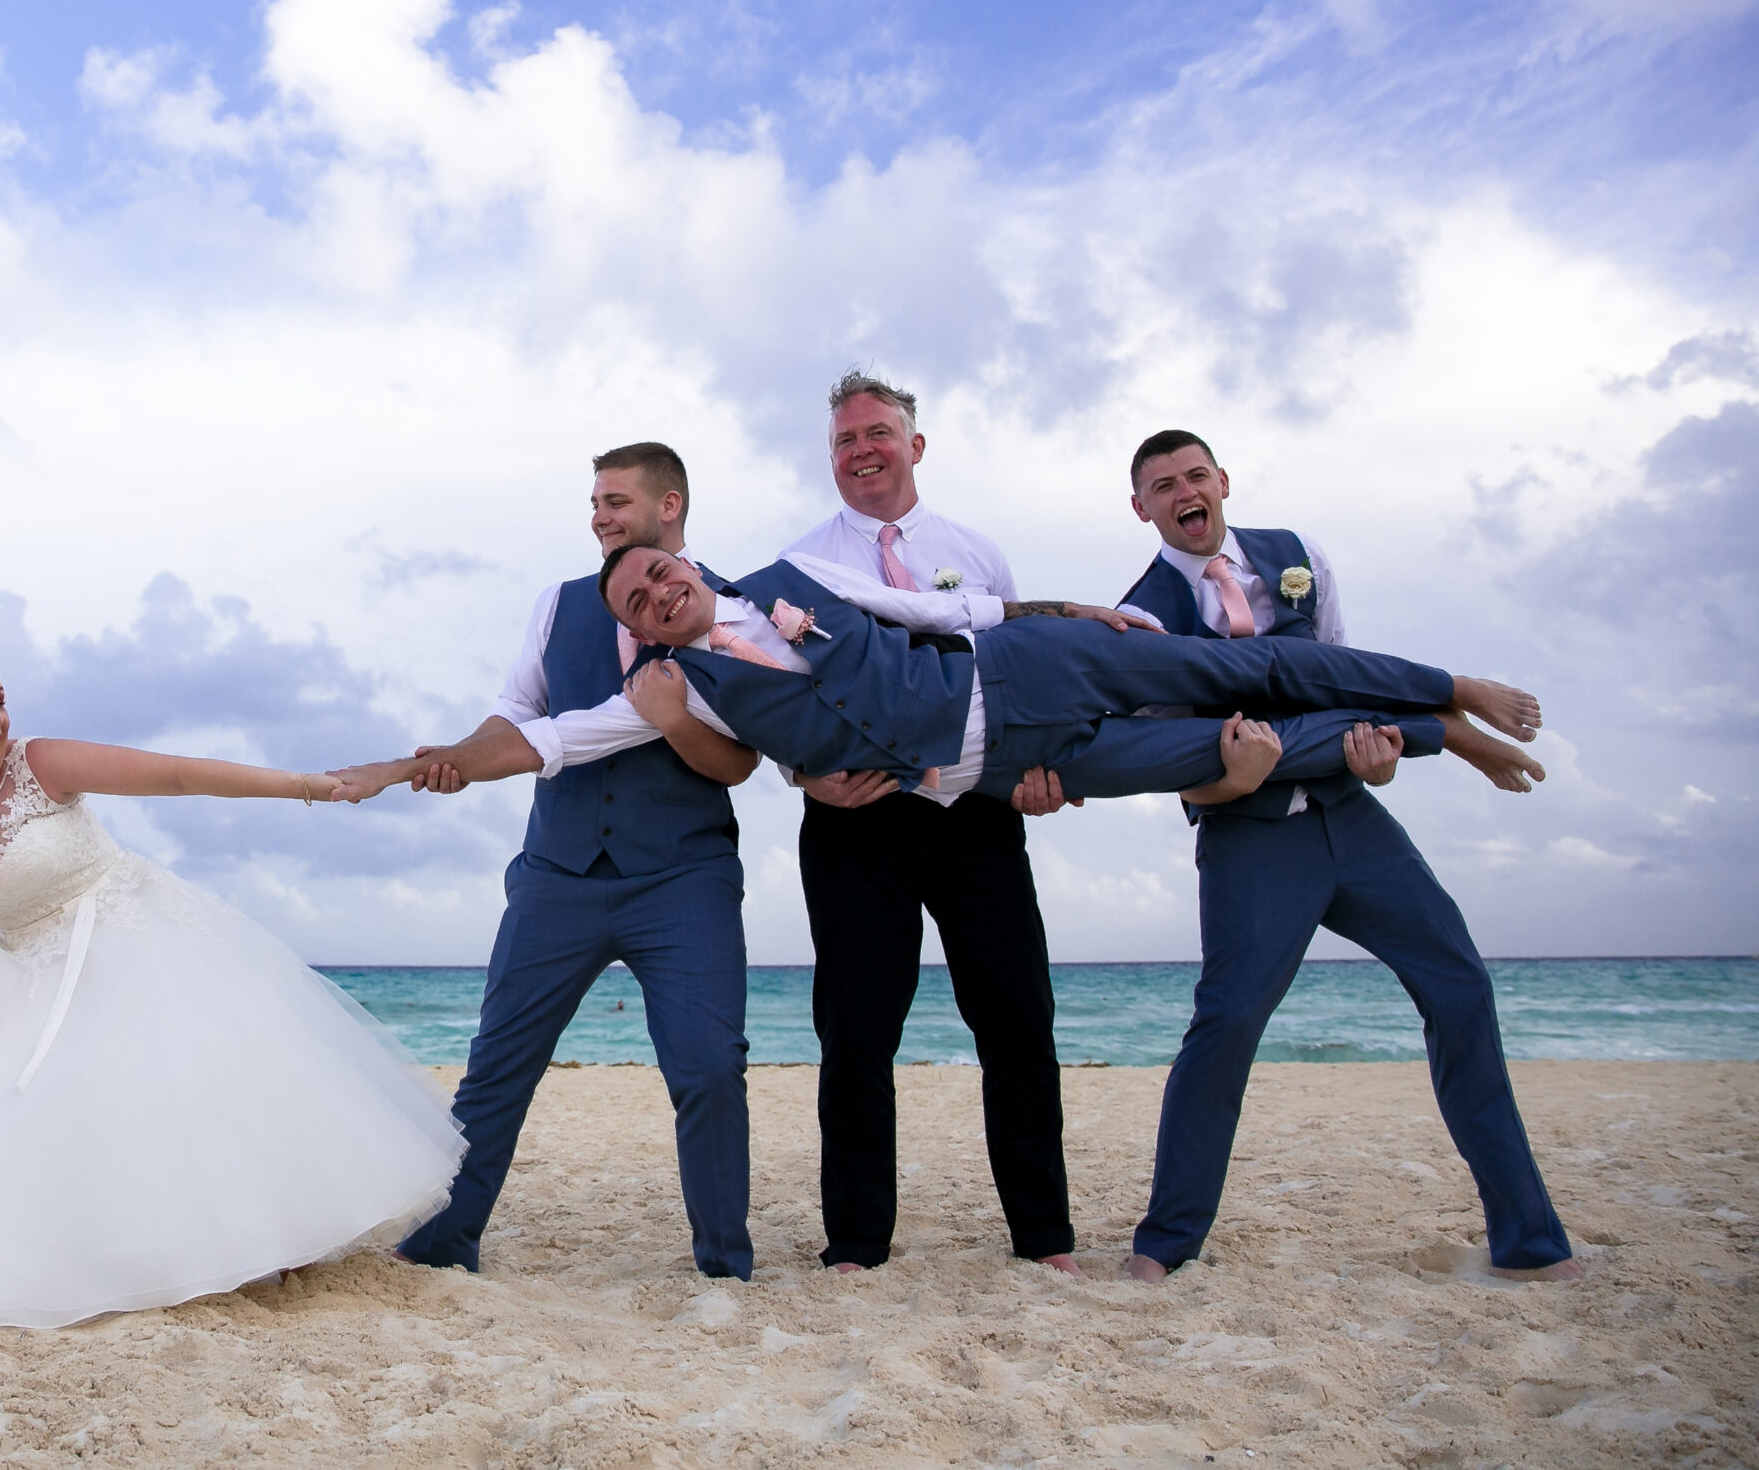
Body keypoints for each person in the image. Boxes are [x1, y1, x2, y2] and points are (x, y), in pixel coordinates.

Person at [0, 645, 465, 1329]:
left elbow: (177, 773)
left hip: (132, 931)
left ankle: (256, 1241)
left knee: (188, 1090)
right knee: (0, 1115)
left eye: (0, 698)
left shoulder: (42, 764)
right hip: (18, 960)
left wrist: (311, 785)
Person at [1016, 429, 1577, 1281]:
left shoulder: (1297, 556)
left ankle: (1529, 1243)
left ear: (1223, 480)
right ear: (1141, 509)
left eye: (1195, 474)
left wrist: (1382, 758)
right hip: (1251, 837)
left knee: (1461, 987)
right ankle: (1164, 1245)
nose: (1183, 492)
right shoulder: (1137, 621)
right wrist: (1234, 783)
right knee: (1229, 1019)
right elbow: (1180, 776)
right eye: (1162, 485)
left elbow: (1343, 679)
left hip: (1351, 818)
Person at [334, 547, 1546, 814]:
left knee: (1258, 661)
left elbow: (938, 606)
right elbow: (547, 742)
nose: (654, 592)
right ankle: (1433, 728)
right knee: (1235, 746)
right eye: (634, 606)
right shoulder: (680, 694)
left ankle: (1455, 682)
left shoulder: (783, 574)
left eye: (657, 571)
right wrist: (413, 763)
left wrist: (1052, 607)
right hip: (1006, 766)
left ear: (688, 558)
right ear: (642, 635)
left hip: (1032, 660)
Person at [385, 443, 764, 1281]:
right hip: (557, 870)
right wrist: (454, 757)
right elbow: (514, 714)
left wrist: (668, 717)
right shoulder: (558, 606)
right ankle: (444, 1241)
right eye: (594, 501)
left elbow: (739, 763)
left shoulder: (728, 608)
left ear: (670, 506)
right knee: (497, 1064)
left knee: (707, 1066)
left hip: (682, 875)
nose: (599, 515)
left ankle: (723, 1264)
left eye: (616, 500)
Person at [777, 370, 1080, 1275]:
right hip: (855, 822)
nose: (861, 450)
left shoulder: (976, 553)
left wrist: (1038, 773)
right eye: (843, 439)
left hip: (976, 814)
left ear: (916, 444)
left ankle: (1045, 1237)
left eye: (876, 432)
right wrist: (805, 776)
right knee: (858, 1033)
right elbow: (774, 699)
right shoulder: (801, 566)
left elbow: (1019, 674)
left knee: (1018, 1020)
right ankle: (858, 1242)